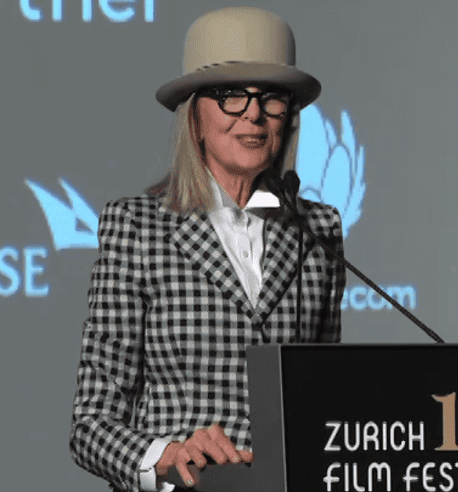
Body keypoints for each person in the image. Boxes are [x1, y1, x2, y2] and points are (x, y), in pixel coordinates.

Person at [69, 7, 345, 491]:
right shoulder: (138, 228)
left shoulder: (318, 230)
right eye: (231, 96)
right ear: (194, 115)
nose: (253, 113)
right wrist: (167, 456)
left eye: (271, 98)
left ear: (288, 119)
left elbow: (325, 407)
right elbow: (91, 426)